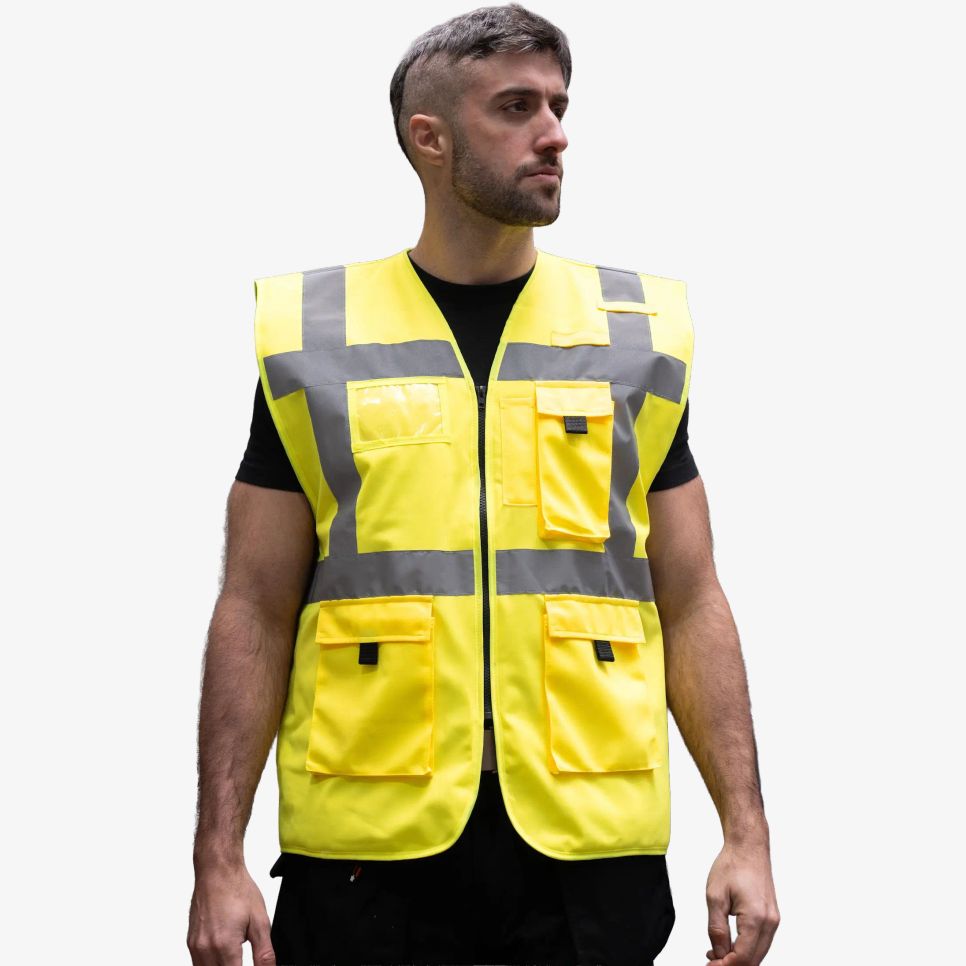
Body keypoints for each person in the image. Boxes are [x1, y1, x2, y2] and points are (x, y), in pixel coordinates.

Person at [187, 4, 780, 965]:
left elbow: (693, 597)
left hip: (589, 857)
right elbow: (253, 605)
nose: (555, 134)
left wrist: (746, 833)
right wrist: (218, 858)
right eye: (516, 107)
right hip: (370, 858)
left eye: (558, 105)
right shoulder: (311, 336)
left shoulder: (638, 335)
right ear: (429, 138)